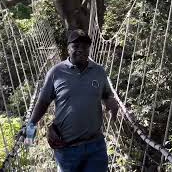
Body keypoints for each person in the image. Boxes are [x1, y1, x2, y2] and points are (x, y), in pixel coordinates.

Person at [23, 29, 119, 172]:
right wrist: (30, 126)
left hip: (95, 146)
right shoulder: (56, 72)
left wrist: (111, 102)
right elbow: (43, 103)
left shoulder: (99, 71)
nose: (81, 50)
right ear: (68, 49)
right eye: (75, 46)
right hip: (67, 149)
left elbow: (106, 94)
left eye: (85, 47)